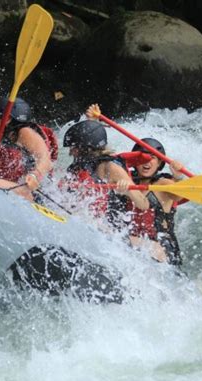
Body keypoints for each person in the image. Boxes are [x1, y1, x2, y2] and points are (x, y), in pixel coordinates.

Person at [60, 105, 150, 227]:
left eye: (74, 148)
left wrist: (128, 191)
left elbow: (144, 204)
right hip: (83, 222)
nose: (71, 152)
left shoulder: (111, 168)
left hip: (110, 231)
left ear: (87, 148)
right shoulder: (79, 166)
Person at [118, 138, 185, 266]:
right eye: (143, 157)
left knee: (121, 239)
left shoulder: (163, 183)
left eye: (152, 157)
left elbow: (180, 196)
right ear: (135, 161)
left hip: (163, 248)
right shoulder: (127, 180)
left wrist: (178, 177)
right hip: (135, 245)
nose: (147, 161)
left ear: (160, 162)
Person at [0, 97, 57, 191]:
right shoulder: (3, 139)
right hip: (15, 189)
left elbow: (46, 160)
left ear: (7, 119)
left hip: (33, 191)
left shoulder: (24, 132)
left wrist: (35, 175)